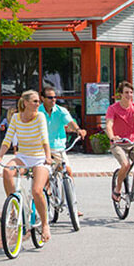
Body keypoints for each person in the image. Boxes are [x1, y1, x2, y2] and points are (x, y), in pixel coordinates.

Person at [0, 90, 53, 241]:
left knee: (36, 190)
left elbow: (45, 138)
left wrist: (48, 156)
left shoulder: (40, 117)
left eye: (38, 101)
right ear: (25, 103)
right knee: (7, 171)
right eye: (34, 101)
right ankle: (14, 207)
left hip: (40, 158)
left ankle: (45, 224)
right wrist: (0, 156)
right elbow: (7, 139)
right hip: (23, 157)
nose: (38, 104)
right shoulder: (15, 117)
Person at [39, 85, 86, 215]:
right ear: (42, 98)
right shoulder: (38, 112)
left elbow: (70, 122)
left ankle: (73, 205)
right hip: (42, 148)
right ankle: (44, 201)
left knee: (68, 172)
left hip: (59, 147)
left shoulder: (61, 110)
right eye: (49, 97)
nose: (53, 100)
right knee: (44, 174)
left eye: (55, 97)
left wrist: (78, 130)